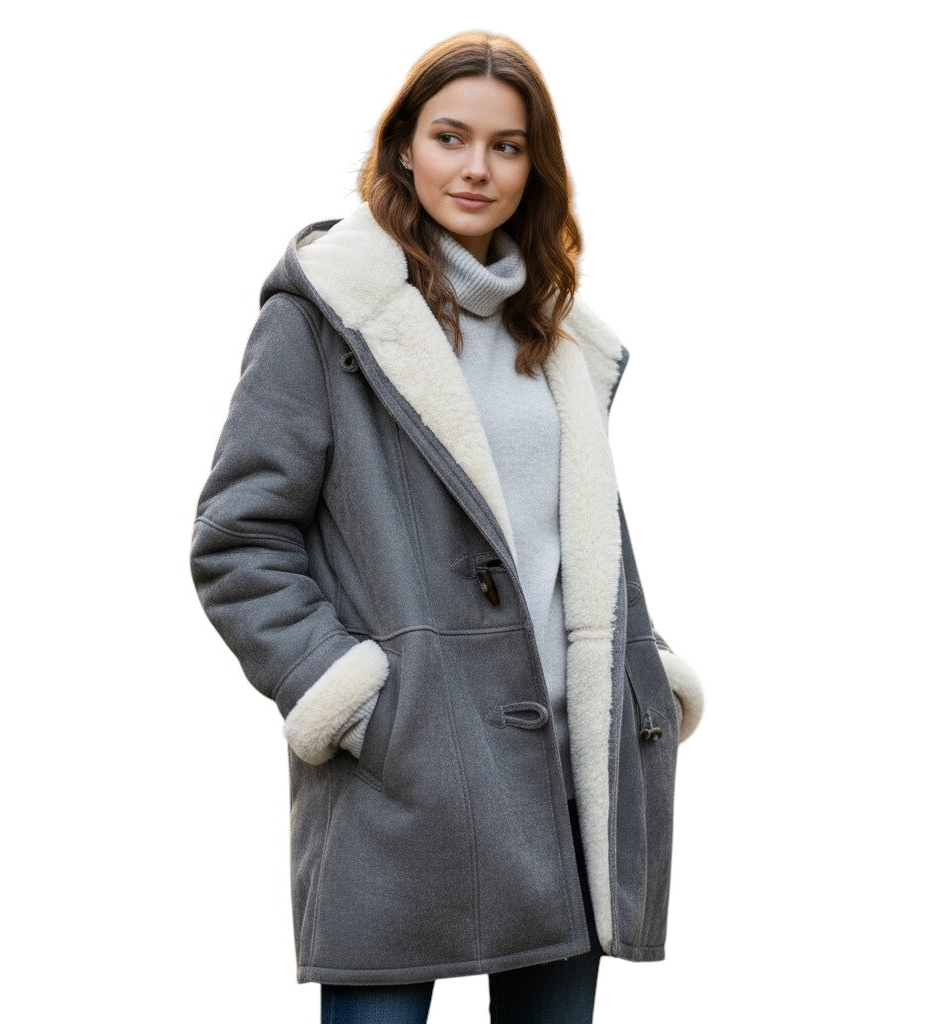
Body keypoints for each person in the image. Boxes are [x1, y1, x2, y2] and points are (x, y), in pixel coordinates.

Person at [190, 29, 705, 1024]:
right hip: (407, 773)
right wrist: (357, 701)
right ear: (402, 148)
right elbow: (238, 541)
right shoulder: (328, 317)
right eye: (450, 137)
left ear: (534, 168)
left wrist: (647, 668)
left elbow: (565, 544)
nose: (477, 168)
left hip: (568, 772)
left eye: (507, 146)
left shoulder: (558, 339)